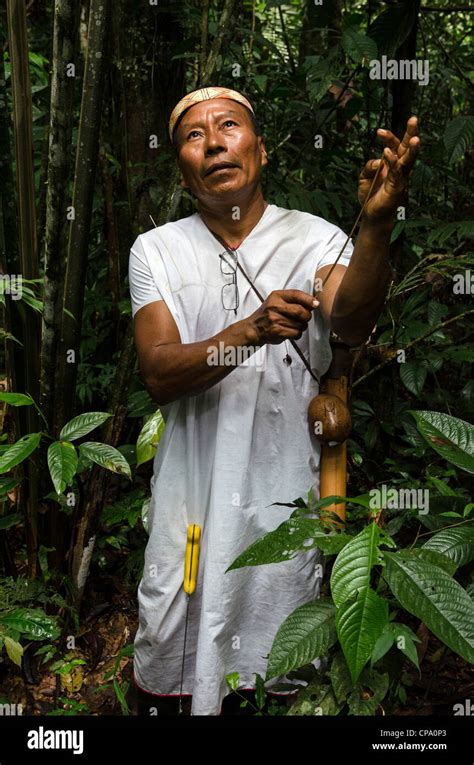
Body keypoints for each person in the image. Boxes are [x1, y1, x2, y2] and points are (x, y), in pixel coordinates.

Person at [127, 86, 419, 716]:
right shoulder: (156, 250)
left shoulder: (315, 238)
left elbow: (353, 318)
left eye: (228, 126)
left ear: (258, 148)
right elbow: (159, 372)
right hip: (193, 491)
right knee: (175, 637)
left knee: (282, 643)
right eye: (193, 135)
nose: (213, 143)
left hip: (286, 488)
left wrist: (374, 223)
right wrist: (249, 332)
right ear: (181, 165)